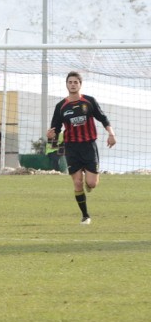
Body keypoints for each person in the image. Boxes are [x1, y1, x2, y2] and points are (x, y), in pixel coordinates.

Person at [47, 71, 116, 225]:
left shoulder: (89, 101)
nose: (72, 85)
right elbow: (55, 128)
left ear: (80, 84)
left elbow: (103, 118)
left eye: (75, 82)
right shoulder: (61, 106)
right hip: (72, 148)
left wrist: (111, 134)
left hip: (89, 146)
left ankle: (89, 184)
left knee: (91, 183)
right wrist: (50, 136)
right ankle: (85, 215)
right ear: (66, 85)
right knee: (77, 182)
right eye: (70, 82)